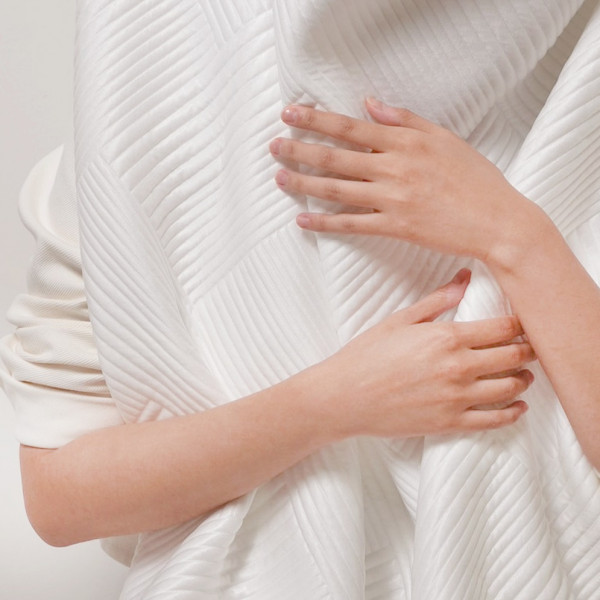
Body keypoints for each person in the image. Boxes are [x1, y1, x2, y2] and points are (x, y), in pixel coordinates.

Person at [2, 0, 600, 598]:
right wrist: (334, 402)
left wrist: (514, 234)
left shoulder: (580, 86)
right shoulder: (139, 110)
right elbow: (58, 495)